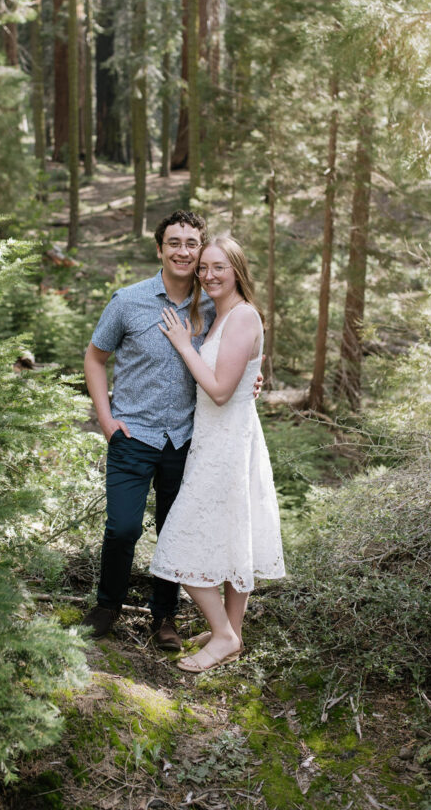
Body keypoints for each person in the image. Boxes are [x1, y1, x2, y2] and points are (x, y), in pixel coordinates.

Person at [150, 234, 285, 673]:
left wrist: (184, 345)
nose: (207, 275)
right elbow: (238, 377)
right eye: (203, 268)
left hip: (226, 443)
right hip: (222, 438)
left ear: (237, 270)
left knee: (180, 541)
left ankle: (224, 636)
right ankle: (232, 633)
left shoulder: (242, 317)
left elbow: (222, 391)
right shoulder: (224, 315)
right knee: (230, 534)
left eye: (218, 268)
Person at [82, 210, 213, 649]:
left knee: (173, 529)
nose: (183, 250)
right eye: (174, 242)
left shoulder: (212, 304)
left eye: (191, 243)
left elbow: (236, 352)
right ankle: (107, 606)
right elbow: (95, 358)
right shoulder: (128, 300)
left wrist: (253, 378)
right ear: (159, 249)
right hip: (133, 435)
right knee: (122, 528)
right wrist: (106, 420)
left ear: (200, 250)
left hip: (186, 439)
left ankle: (165, 618)